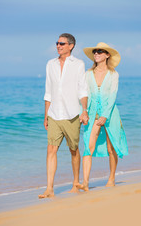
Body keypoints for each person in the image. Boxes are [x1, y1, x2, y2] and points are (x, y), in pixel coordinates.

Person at [38, 33, 89, 198]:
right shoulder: (50, 64)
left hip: (72, 113)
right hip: (54, 113)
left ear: (71, 46)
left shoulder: (79, 64)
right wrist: (45, 115)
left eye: (62, 43)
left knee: (73, 149)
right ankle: (49, 188)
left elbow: (82, 89)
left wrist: (85, 110)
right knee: (51, 149)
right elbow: (48, 91)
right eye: (57, 43)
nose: (58, 46)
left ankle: (75, 183)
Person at [77, 42, 128, 191]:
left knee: (111, 147)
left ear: (107, 55)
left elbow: (112, 96)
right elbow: (83, 94)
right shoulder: (87, 74)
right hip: (92, 114)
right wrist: (83, 111)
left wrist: (105, 116)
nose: (96, 54)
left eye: (100, 51)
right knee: (88, 146)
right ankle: (85, 182)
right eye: (95, 52)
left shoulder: (113, 74)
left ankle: (111, 178)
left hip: (110, 114)